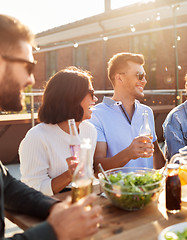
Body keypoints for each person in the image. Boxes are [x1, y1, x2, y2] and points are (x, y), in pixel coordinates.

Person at [0, 14, 102, 239]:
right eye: (28, 66)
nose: (31, 81)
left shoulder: (89, 130)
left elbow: (6, 185)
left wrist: (53, 208)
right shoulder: (37, 136)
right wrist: (55, 231)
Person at [19, 67, 98, 195]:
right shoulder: (36, 137)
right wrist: (68, 175)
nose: (95, 99)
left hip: (82, 201)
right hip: (50, 209)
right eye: (91, 94)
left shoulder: (90, 130)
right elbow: (32, 189)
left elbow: (87, 176)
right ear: (72, 97)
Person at [89, 52, 166, 171]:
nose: (144, 81)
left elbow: (155, 153)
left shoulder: (146, 111)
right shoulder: (96, 114)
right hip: (117, 189)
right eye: (139, 75)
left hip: (149, 187)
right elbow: (98, 166)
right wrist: (129, 153)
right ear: (119, 77)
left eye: (145, 76)